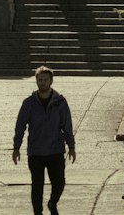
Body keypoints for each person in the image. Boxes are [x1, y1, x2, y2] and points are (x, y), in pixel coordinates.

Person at [13, 67, 75, 215]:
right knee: (37, 186)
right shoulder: (29, 103)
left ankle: (52, 202)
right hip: (36, 152)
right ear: (36, 81)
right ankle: (38, 212)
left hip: (55, 150)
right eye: (40, 80)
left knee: (59, 183)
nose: (42, 83)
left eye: (45, 80)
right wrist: (16, 147)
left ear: (51, 81)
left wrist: (71, 146)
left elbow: (67, 125)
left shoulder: (60, 102)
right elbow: (20, 125)